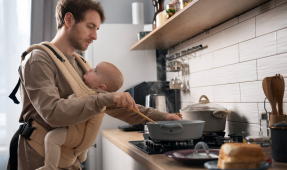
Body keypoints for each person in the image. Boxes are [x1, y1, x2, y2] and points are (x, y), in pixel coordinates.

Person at [7, 0, 181, 170]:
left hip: (68, 157)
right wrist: (104, 100)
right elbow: (53, 112)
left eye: (97, 29)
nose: (95, 36)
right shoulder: (38, 59)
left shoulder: (80, 64)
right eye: (90, 27)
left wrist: (163, 117)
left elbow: (115, 105)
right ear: (69, 20)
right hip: (39, 156)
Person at [37, 61, 124, 170]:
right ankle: (82, 154)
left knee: (51, 138)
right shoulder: (103, 99)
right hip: (88, 138)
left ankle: (50, 167)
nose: (91, 69)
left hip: (76, 133)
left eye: (95, 71)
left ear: (101, 87)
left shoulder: (89, 96)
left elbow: (69, 107)